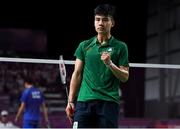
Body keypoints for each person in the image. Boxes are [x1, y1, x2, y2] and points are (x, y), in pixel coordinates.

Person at [65, 3, 129, 128]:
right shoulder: (84, 45)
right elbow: (77, 74)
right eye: (97, 20)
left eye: (105, 20)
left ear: (112, 23)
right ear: (94, 22)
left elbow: (125, 76)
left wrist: (110, 64)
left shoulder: (120, 47)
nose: (100, 23)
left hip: (108, 103)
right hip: (84, 102)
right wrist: (70, 101)